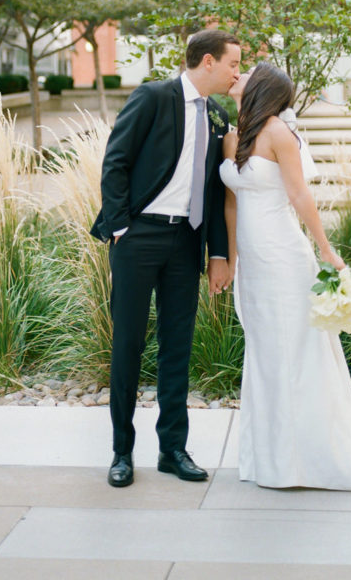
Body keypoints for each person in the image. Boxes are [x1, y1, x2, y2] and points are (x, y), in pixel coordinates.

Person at [221, 62, 351, 490]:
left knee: (295, 350)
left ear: (261, 88)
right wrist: (230, 257)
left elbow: (299, 194)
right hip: (254, 263)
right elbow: (231, 204)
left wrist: (327, 249)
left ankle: (308, 459)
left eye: (247, 72)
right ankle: (271, 458)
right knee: (264, 350)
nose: (238, 75)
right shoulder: (231, 137)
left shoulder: (279, 133)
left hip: (284, 255)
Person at [90, 29, 240, 488]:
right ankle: (121, 452)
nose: (237, 72)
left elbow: (216, 193)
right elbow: (115, 161)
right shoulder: (153, 96)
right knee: (128, 345)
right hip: (139, 238)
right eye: (234, 63)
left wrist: (218, 253)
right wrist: (120, 228)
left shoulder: (218, 115)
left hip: (186, 242)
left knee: (177, 348)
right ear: (209, 61)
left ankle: (173, 449)